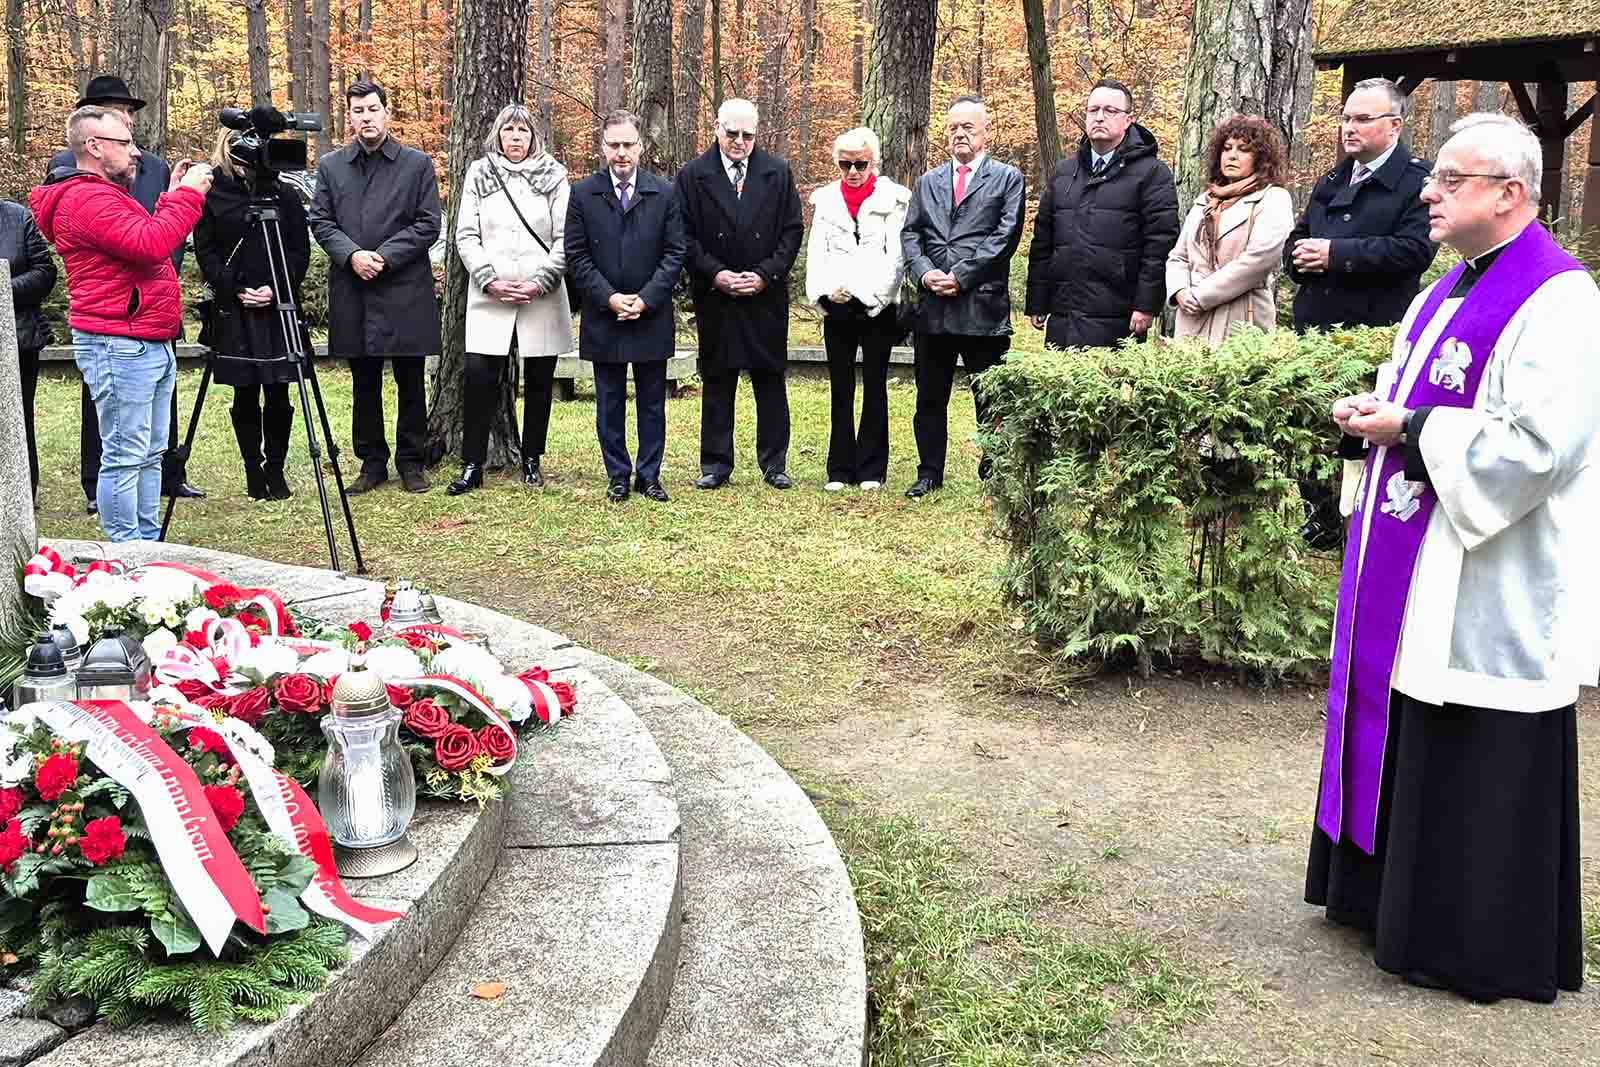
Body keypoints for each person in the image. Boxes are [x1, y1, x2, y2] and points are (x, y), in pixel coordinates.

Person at [1307, 112, 1598, 1005]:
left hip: (1492, 575)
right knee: (1401, 712)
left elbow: (1544, 447)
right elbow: (1418, 392)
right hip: (1417, 555)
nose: (1428, 192)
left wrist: (1418, 427)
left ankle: (1466, 940)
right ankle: (1385, 904)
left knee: (1469, 726)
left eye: (1451, 181)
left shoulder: (1561, 299)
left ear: (1510, 193)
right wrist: (1380, 413)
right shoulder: (1447, 290)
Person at [30, 106, 213, 541]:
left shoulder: (104, 194)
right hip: (119, 341)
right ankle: (126, 556)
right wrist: (188, 196)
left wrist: (170, 197)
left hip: (143, 338)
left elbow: (146, 234)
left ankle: (146, 548)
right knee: (126, 454)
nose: (135, 153)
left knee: (149, 452)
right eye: (125, 143)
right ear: (94, 146)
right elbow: (151, 245)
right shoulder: (86, 198)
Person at [1285, 77, 1437, 548]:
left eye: (1362, 119)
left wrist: (1336, 254)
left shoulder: (1417, 182)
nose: (1349, 127)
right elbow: (1299, 237)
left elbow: (1414, 250)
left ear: (1393, 126)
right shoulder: (1332, 179)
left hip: (1372, 331)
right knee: (1311, 430)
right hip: (1316, 330)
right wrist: (1300, 257)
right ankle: (1320, 514)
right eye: (1346, 118)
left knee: (1362, 436)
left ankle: (1361, 523)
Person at [310, 79, 443, 494]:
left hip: (404, 284)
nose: (366, 117)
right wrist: (352, 255)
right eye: (357, 111)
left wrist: (384, 255)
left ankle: (411, 461)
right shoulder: (332, 166)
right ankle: (371, 463)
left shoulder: (416, 164)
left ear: (387, 112)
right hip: (355, 286)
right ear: (348, 117)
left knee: (410, 377)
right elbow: (321, 221)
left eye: (372, 109)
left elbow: (428, 223)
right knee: (364, 379)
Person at [676, 98, 805, 491]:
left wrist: (765, 275)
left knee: (769, 377)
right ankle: (716, 464)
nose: (739, 142)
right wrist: (716, 275)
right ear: (716, 127)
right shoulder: (693, 175)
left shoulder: (778, 172)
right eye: (731, 133)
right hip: (717, 295)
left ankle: (774, 463)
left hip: (764, 294)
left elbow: (791, 231)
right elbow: (683, 236)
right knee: (718, 377)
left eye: (748, 135)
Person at [900, 94, 1025, 499]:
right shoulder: (927, 182)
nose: (959, 134)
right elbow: (910, 235)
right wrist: (924, 273)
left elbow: (1004, 237)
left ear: (986, 132)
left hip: (982, 308)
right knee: (929, 397)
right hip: (933, 309)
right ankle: (929, 472)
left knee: (989, 397)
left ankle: (994, 472)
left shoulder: (1008, 179)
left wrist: (962, 275)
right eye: (953, 127)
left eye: (968, 127)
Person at [448, 104, 574, 496]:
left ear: (533, 135)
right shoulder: (480, 173)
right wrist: (489, 279)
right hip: (492, 292)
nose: (515, 137)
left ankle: (532, 458)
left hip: (542, 292)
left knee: (539, 380)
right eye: (508, 130)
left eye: (522, 130)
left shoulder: (554, 174)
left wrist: (541, 280)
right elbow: (466, 234)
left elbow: (565, 236)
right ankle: (473, 464)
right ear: (498, 135)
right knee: (480, 378)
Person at [564, 110, 686, 502]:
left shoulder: (664, 192)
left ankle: (649, 476)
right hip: (605, 315)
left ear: (640, 146)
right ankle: (617, 474)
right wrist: (610, 298)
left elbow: (674, 253)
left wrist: (647, 299)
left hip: (651, 315)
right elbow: (577, 256)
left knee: (653, 403)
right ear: (603, 147)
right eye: (613, 145)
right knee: (609, 401)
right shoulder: (583, 194)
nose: (621, 153)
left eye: (628, 145)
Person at [193, 128, 311, 501]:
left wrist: (277, 289)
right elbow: (206, 250)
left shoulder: (284, 193)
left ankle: (275, 469)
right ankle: (252, 469)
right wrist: (235, 289)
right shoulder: (213, 193)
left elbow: (298, 250)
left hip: (277, 305)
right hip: (234, 306)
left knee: (279, 391)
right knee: (245, 393)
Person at [1025, 78, 1179, 350]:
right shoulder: (1064, 173)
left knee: (1111, 391)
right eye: (1093, 110)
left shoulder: (1152, 174)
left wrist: (1147, 304)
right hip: (1064, 315)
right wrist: (1038, 300)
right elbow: (1043, 243)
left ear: (1128, 120)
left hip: (1120, 315)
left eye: (1110, 111)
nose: (1099, 117)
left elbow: (1160, 245)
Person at [803, 126, 910, 491]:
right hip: (837, 307)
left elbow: (896, 258)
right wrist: (823, 294)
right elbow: (816, 252)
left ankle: (871, 468)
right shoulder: (827, 200)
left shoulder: (893, 199)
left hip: (877, 308)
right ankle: (839, 468)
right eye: (845, 163)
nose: (853, 171)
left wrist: (874, 298)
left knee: (875, 386)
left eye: (860, 163)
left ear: (873, 162)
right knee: (841, 387)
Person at [1165, 114, 1295, 343]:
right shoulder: (1206, 200)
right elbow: (1178, 256)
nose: (1232, 155)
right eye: (1226, 148)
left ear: (1261, 157)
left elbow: (1258, 260)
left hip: (1242, 319)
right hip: (1192, 318)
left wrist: (1200, 296)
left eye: (1244, 149)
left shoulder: (1273, 198)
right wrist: (1180, 291)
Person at [1, 199, 58, 498]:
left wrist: (3, 288)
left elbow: (45, 272)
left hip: (17, 340)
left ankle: (22, 494)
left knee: (18, 420)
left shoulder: (17, 217)